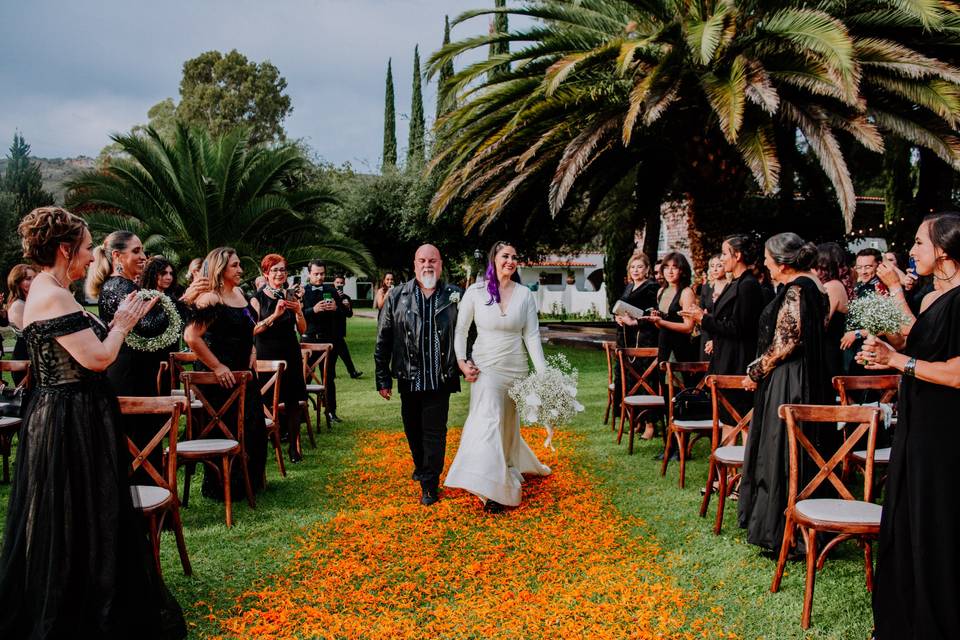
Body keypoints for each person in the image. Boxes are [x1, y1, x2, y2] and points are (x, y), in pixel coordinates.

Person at [0, 206, 185, 638]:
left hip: (72, 415)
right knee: (70, 509)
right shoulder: (52, 294)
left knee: (82, 510)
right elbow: (98, 358)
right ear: (65, 249)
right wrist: (122, 323)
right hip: (66, 419)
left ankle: (85, 589)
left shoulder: (52, 290)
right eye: (85, 248)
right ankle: (72, 604)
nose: (90, 258)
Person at [859, 213, 960, 640]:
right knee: (910, 514)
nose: (912, 251)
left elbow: (956, 372)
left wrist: (899, 361)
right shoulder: (934, 299)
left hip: (948, 432)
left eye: (920, 243)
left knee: (941, 520)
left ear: (944, 250)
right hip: (917, 423)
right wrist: (888, 347)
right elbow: (922, 340)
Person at [737, 233, 832, 552]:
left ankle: (781, 531)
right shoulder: (816, 287)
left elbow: (787, 343)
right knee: (796, 450)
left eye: (767, 259)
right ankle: (799, 524)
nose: (765, 264)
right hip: (809, 375)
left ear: (783, 262)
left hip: (789, 380)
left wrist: (755, 371)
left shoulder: (796, 290)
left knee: (780, 451)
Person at [445, 241, 549, 513]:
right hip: (486, 367)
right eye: (505, 256)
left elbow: (532, 336)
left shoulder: (525, 295)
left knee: (506, 426)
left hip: (516, 369)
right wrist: (461, 361)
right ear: (494, 259)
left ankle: (505, 466)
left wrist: (543, 374)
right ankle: (492, 490)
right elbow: (461, 330)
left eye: (515, 257)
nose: (511, 261)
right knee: (488, 420)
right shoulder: (476, 292)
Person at [375, 245, 461, 506]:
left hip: (440, 378)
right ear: (414, 265)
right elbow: (383, 338)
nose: (427, 265)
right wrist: (382, 378)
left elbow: (470, 333)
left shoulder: (455, 295)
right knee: (413, 430)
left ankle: (429, 484)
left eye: (432, 261)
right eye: (422, 260)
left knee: (434, 432)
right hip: (409, 377)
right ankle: (424, 469)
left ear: (440, 264)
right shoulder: (397, 295)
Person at [184, 247, 267, 498]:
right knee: (229, 429)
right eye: (234, 265)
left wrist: (251, 350)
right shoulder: (211, 299)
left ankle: (251, 483)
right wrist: (218, 367)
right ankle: (223, 487)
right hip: (223, 380)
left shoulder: (240, 293)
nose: (240, 270)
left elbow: (246, 329)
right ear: (220, 268)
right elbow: (191, 336)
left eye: (240, 264)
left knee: (253, 430)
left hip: (245, 373)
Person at [249, 254, 309, 462]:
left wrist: (299, 312)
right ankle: (269, 445)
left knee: (293, 401)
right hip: (266, 354)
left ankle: (294, 448)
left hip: (290, 353)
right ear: (265, 273)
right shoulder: (256, 298)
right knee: (265, 401)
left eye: (282, 269)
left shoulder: (291, 296)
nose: (279, 273)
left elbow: (302, 329)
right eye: (274, 270)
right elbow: (253, 330)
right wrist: (274, 315)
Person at [612, 252, 659, 439]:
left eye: (639, 267)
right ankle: (637, 420)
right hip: (626, 339)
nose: (636, 270)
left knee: (645, 381)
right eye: (632, 267)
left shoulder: (652, 287)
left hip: (643, 339)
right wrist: (618, 317)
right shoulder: (629, 286)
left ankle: (650, 424)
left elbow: (653, 314)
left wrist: (635, 321)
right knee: (630, 382)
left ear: (647, 269)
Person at [301, 260, 351, 422]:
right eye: (316, 274)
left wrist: (337, 308)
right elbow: (298, 314)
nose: (320, 277)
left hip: (329, 341)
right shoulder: (303, 291)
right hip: (308, 341)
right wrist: (313, 310)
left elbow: (345, 312)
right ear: (309, 274)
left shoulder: (331, 290)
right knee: (305, 377)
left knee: (328, 377)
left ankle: (331, 412)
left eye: (322, 273)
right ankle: (303, 413)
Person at [815, 242, 850, 379]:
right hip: (828, 349)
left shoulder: (832, 286)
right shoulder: (832, 284)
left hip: (829, 351)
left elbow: (821, 322)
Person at [6, 264, 35, 381]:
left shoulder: (30, 302)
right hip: (24, 358)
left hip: (34, 356)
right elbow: (32, 333)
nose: (33, 282)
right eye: (28, 279)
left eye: (35, 278)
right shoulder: (18, 305)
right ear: (17, 283)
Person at [696, 254, 728, 359]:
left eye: (719, 265)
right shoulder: (706, 288)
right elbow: (701, 310)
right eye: (712, 266)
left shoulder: (730, 286)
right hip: (707, 332)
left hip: (723, 332)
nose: (715, 269)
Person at [332, 274, 361, 379]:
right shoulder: (329, 296)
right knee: (343, 352)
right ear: (333, 284)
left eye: (341, 283)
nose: (339, 284)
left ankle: (332, 373)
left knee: (335, 352)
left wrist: (347, 308)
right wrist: (337, 300)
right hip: (330, 329)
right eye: (337, 282)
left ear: (344, 284)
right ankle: (352, 372)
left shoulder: (347, 298)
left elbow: (349, 314)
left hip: (340, 329)